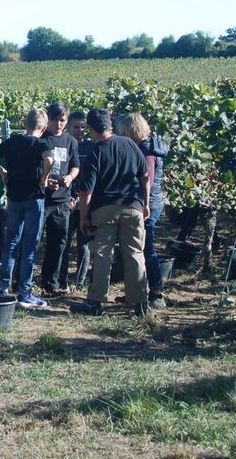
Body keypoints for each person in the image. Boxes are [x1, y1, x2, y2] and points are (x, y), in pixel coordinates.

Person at [70, 108, 151, 317]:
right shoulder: (130, 145)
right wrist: (146, 203)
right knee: (135, 254)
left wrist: (84, 217)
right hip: (132, 207)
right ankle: (140, 303)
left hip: (104, 209)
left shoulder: (97, 152)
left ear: (90, 129)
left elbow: (86, 191)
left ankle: (95, 302)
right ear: (110, 124)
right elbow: (145, 176)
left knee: (103, 254)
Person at [0, 109, 52, 308]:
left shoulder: (13, 142)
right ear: (44, 127)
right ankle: (25, 293)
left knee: (11, 243)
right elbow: (49, 159)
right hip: (34, 198)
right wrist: (44, 178)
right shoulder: (40, 144)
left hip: (14, 198)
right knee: (30, 245)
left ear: (26, 123)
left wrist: (2, 171)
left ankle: (3, 288)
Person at [119, 113, 169, 309]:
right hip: (150, 202)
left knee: (146, 249)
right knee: (140, 249)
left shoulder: (147, 151)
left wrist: (145, 206)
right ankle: (138, 292)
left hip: (148, 205)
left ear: (133, 132)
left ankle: (156, 293)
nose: (122, 136)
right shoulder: (149, 146)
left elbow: (146, 178)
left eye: (124, 133)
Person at [39, 102, 79, 297]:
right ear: (48, 119)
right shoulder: (42, 140)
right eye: (54, 119)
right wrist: (44, 182)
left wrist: (70, 177)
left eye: (62, 120)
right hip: (42, 199)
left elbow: (75, 165)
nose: (58, 123)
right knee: (33, 240)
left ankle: (51, 283)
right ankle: (21, 282)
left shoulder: (71, 142)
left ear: (67, 120)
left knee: (59, 243)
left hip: (62, 201)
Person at [60, 109, 95, 290]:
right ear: (68, 127)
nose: (80, 130)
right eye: (76, 127)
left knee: (84, 244)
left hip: (85, 202)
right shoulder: (64, 146)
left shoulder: (91, 148)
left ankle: (79, 283)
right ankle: (62, 281)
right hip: (67, 201)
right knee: (64, 242)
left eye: (83, 127)